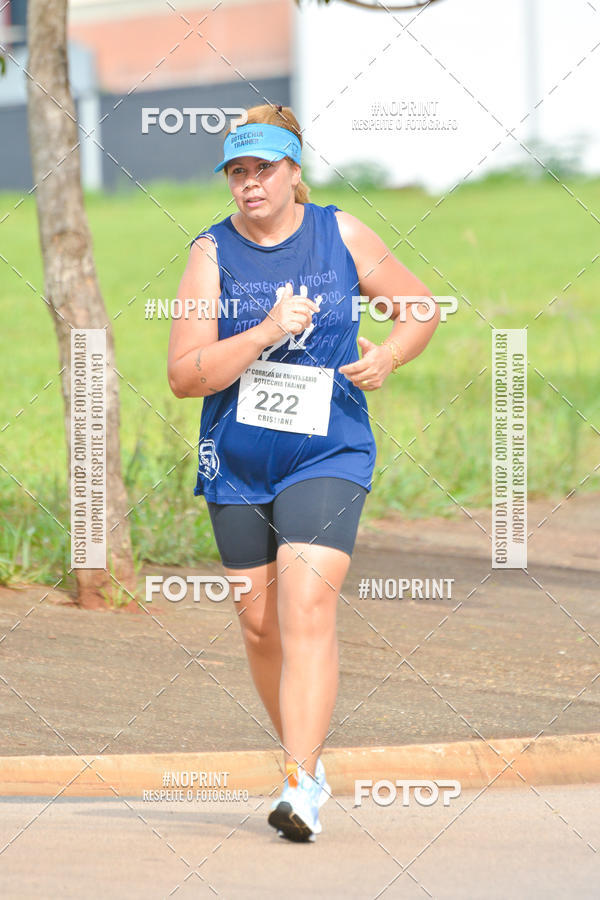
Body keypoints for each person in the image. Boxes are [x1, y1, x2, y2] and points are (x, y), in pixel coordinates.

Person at [167, 103, 440, 842]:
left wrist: (390, 354)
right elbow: (185, 376)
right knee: (259, 626)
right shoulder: (210, 253)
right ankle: (306, 762)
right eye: (237, 171)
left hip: (328, 448)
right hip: (238, 457)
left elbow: (419, 308)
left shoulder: (340, 233)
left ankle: (299, 783)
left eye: (263, 169)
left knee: (306, 604)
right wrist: (260, 332)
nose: (250, 184)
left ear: (294, 173)